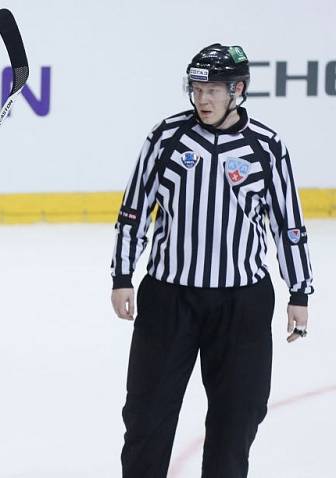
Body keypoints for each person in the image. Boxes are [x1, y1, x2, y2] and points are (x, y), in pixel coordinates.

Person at [110, 43, 314, 478]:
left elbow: (288, 223)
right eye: (197, 88)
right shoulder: (166, 137)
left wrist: (300, 290)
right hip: (169, 298)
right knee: (146, 418)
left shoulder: (266, 146)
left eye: (213, 90)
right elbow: (134, 209)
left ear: (237, 90)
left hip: (242, 305)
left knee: (236, 419)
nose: (202, 99)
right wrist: (122, 275)